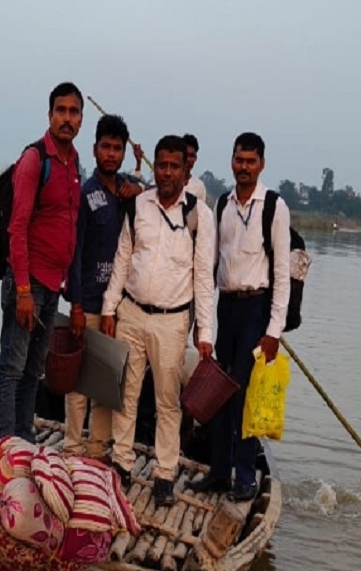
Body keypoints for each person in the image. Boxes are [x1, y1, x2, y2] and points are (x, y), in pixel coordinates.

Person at [100, 135, 216, 507]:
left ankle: (165, 474)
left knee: (168, 401)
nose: (166, 173)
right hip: (131, 312)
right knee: (126, 392)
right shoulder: (138, 205)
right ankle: (121, 463)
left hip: (172, 321)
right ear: (155, 166)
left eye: (174, 166)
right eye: (161, 165)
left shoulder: (199, 215)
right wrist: (108, 307)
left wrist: (205, 331)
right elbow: (122, 258)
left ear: (186, 170)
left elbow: (204, 277)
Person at [191, 132, 291, 502]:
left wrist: (273, 331)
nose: (244, 167)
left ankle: (245, 478)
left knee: (246, 397)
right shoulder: (222, 205)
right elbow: (210, 264)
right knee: (219, 391)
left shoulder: (274, 207)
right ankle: (219, 472)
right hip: (226, 308)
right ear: (231, 161)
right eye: (238, 160)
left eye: (250, 161)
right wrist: (203, 323)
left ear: (261, 164)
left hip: (256, 310)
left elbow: (282, 275)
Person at [0, 82, 85, 442]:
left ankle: (24, 439)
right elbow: (17, 228)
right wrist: (24, 292)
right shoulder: (35, 160)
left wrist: (72, 297)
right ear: (49, 116)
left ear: (80, 120)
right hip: (27, 283)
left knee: (33, 371)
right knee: (11, 367)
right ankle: (3, 442)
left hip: (53, 285)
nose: (66, 118)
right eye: (60, 111)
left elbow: (71, 230)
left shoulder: (74, 162)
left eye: (73, 112)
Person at [61, 114, 144, 459]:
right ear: (94, 150)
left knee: (107, 384)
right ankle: (70, 448)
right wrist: (77, 307)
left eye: (117, 149)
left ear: (124, 153)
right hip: (88, 303)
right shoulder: (85, 194)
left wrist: (137, 189)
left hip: (121, 307)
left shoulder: (130, 191)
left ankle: (96, 451)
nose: (111, 154)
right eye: (105, 147)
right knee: (78, 384)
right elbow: (74, 254)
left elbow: (162, 197)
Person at [183, 133, 208, 204]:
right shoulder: (168, 182)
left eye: (191, 156)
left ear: (195, 158)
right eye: (186, 155)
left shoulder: (199, 187)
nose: (188, 159)